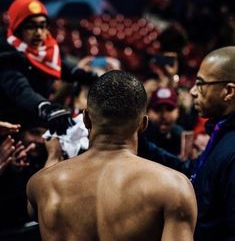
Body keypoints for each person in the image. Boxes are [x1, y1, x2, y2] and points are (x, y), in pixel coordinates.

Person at [27, 70, 197, 241]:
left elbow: (35, 211)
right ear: (143, 124)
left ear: (86, 118)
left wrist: (53, 157)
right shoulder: (174, 188)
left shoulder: (42, 184)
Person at [0, 0, 97, 135]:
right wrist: (45, 107)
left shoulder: (45, 52)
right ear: (17, 28)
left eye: (43, 25)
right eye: (31, 27)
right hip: (12, 129)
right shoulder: (6, 55)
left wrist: (97, 78)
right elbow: (20, 90)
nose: (39, 33)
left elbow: (67, 69)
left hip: (36, 122)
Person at [189, 46, 235, 241]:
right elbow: (194, 172)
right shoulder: (222, 133)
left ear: (228, 92)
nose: (192, 91)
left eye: (201, 84)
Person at [142, 86, 184, 156]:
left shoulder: (182, 137)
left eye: (169, 109)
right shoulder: (141, 139)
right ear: (147, 112)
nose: (164, 116)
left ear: (178, 111)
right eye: (158, 109)